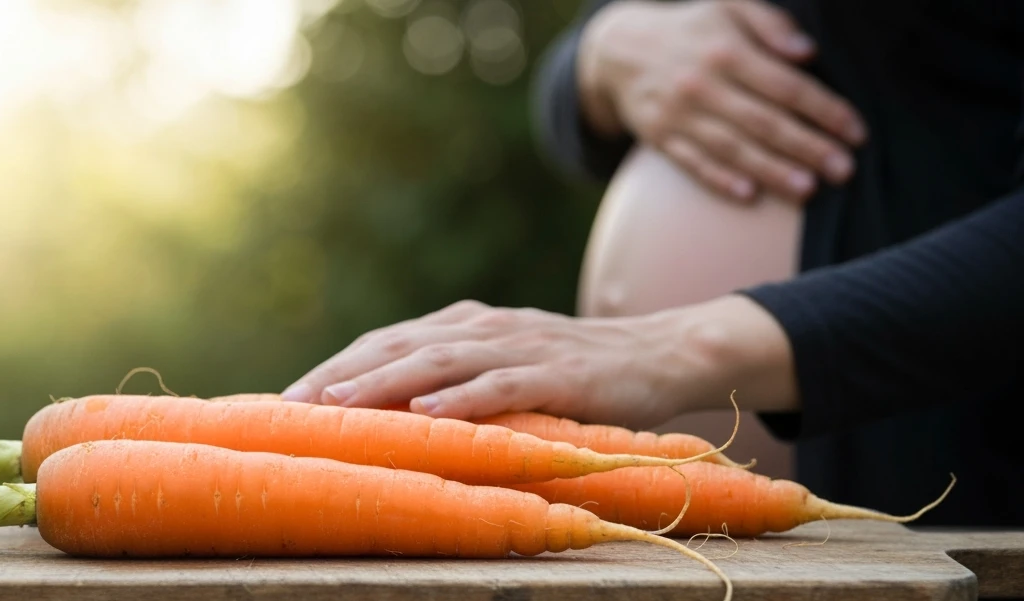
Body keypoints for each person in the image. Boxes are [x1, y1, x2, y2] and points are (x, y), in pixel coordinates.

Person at [281, 0, 1023, 525]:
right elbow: (568, 89)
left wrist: (677, 346)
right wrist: (602, 54)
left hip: (952, 483)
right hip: (703, 531)